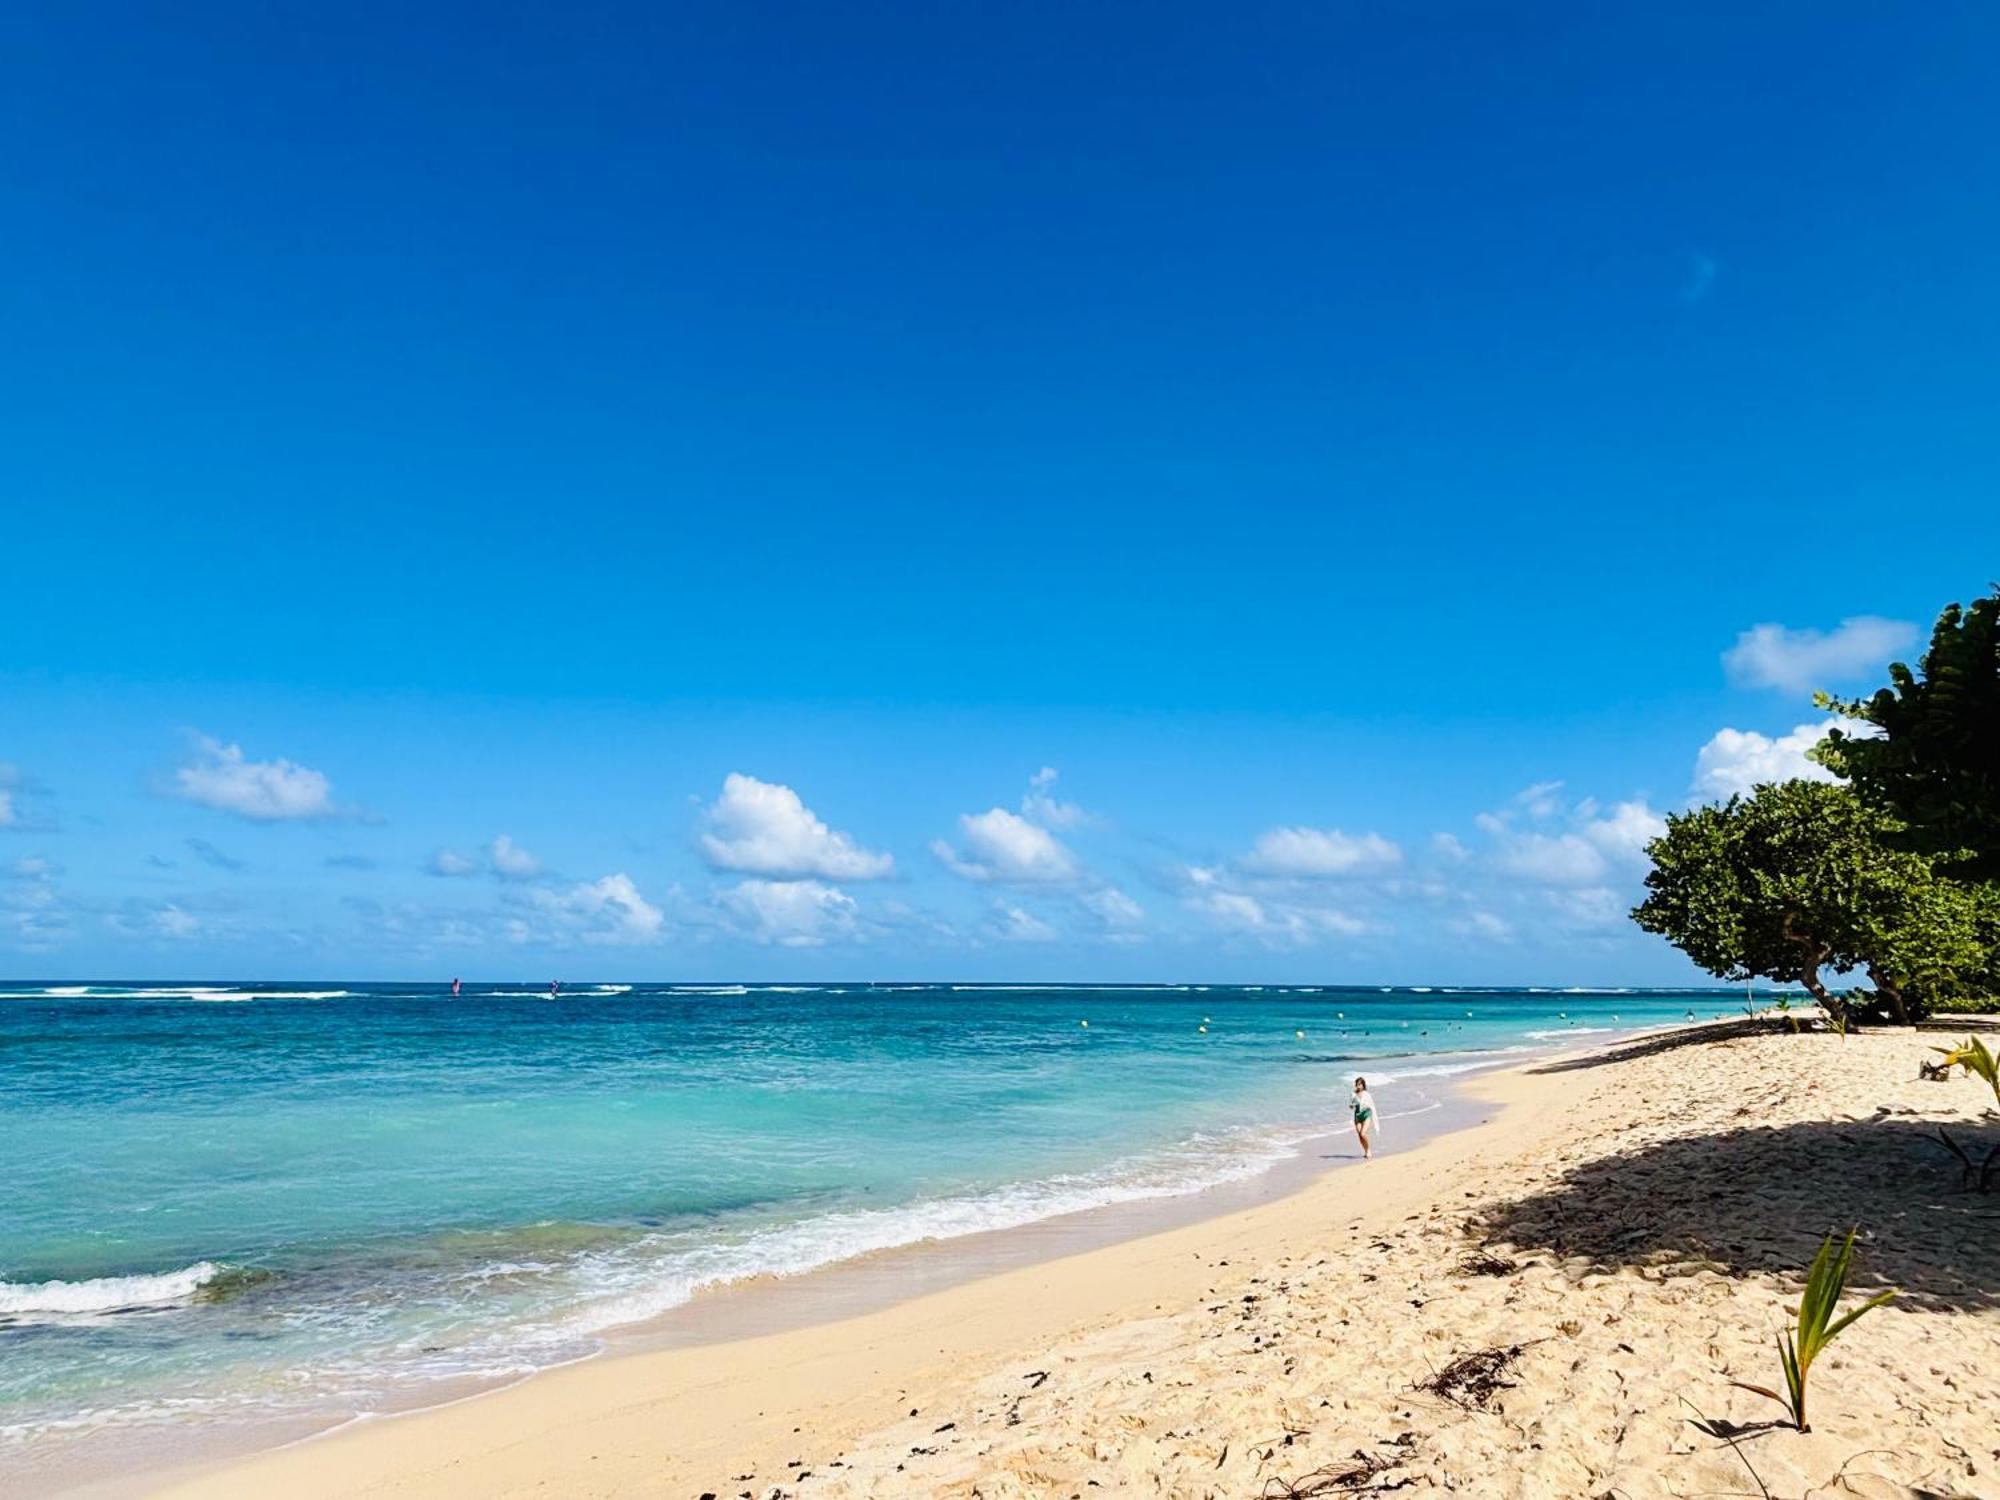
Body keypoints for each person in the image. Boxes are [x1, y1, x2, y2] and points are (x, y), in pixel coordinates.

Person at [1351, 1076, 1378, 1160]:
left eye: (1360, 1084)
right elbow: (1352, 1105)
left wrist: (1367, 1107)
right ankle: (1365, 1150)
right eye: (1357, 1084)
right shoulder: (1353, 1094)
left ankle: (1368, 1149)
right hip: (1357, 1115)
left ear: (1363, 1085)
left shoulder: (1367, 1094)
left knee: (1363, 1133)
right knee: (1360, 1135)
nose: (1358, 1086)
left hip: (1366, 1114)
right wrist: (1352, 1106)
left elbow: (1371, 1105)